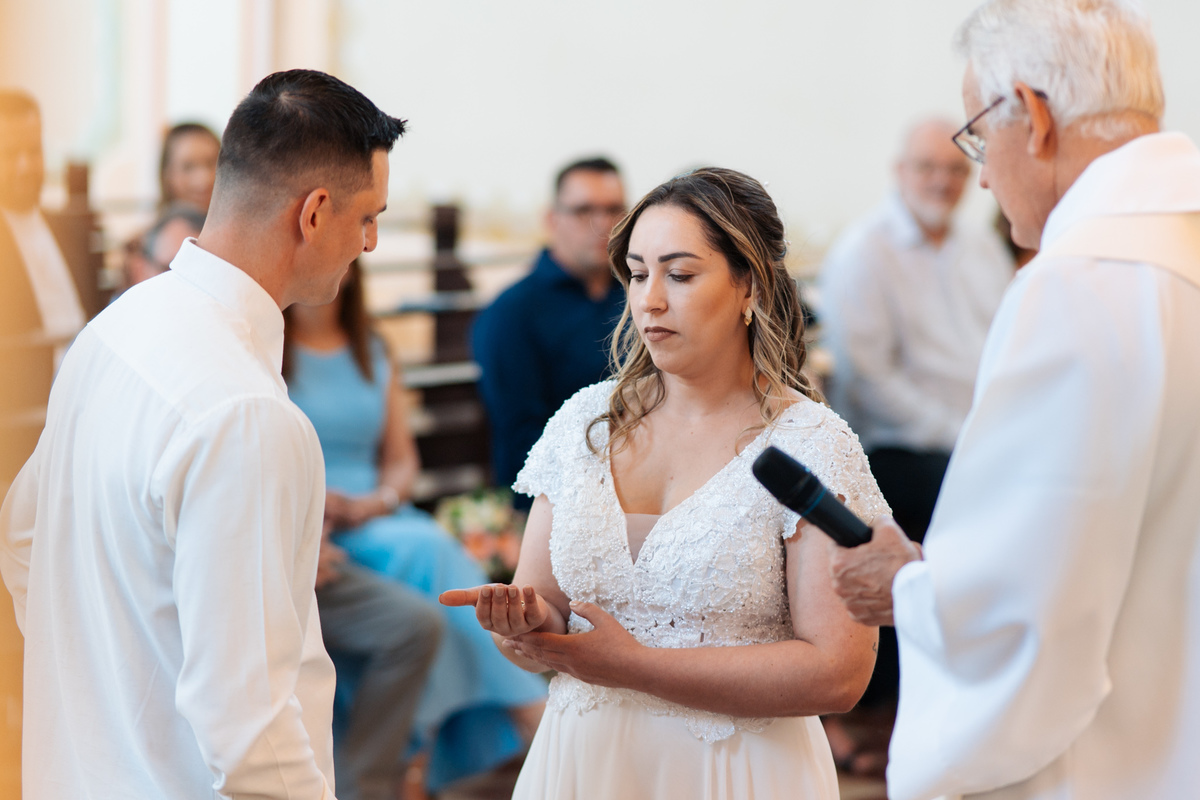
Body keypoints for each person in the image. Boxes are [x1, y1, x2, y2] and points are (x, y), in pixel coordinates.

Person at [829, 2, 1200, 799]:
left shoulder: (1079, 284)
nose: (984, 176)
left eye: (977, 141)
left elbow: (1028, 604)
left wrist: (909, 588)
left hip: (1110, 760)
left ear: (1030, 115)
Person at [0, 69, 405, 799]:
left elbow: (22, 536)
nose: (370, 243)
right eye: (367, 217)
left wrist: (105, 692)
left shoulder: (115, 328)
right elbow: (249, 726)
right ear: (313, 213)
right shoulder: (247, 414)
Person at [445, 167, 887, 800]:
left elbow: (838, 673)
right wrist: (523, 623)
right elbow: (544, 613)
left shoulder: (811, 443)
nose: (649, 298)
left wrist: (635, 667)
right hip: (583, 763)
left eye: (679, 275)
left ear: (750, 288)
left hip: (734, 772)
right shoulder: (584, 424)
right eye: (637, 272)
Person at [284, 260, 547, 792]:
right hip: (308, 523)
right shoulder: (270, 349)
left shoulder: (373, 351)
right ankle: (531, 716)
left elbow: (402, 463)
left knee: (422, 548)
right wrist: (310, 511)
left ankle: (439, 742)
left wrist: (374, 502)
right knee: (428, 553)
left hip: (374, 517)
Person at [819, 117, 1013, 543]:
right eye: (927, 167)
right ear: (899, 170)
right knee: (1005, 503)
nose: (942, 181)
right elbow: (869, 381)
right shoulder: (864, 252)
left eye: (956, 169)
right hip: (903, 450)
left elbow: (1009, 344)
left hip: (983, 434)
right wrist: (960, 436)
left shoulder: (982, 245)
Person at [471, 157, 627, 504]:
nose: (602, 224)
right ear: (551, 219)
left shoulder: (641, 297)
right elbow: (522, 436)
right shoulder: (513, 313)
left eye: (614, 209)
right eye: (584, 210)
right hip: (560, 500)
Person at [0, 89, 86, 486]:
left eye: (33, 152)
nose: (24, 167)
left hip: (82, 429)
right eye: (9, 153)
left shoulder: (67, 226)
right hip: (18, 436)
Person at [160, 122, 221, 213]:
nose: (204, 179)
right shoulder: (164, 227)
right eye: (188, 167)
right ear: (167, 175)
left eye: (211, 163)